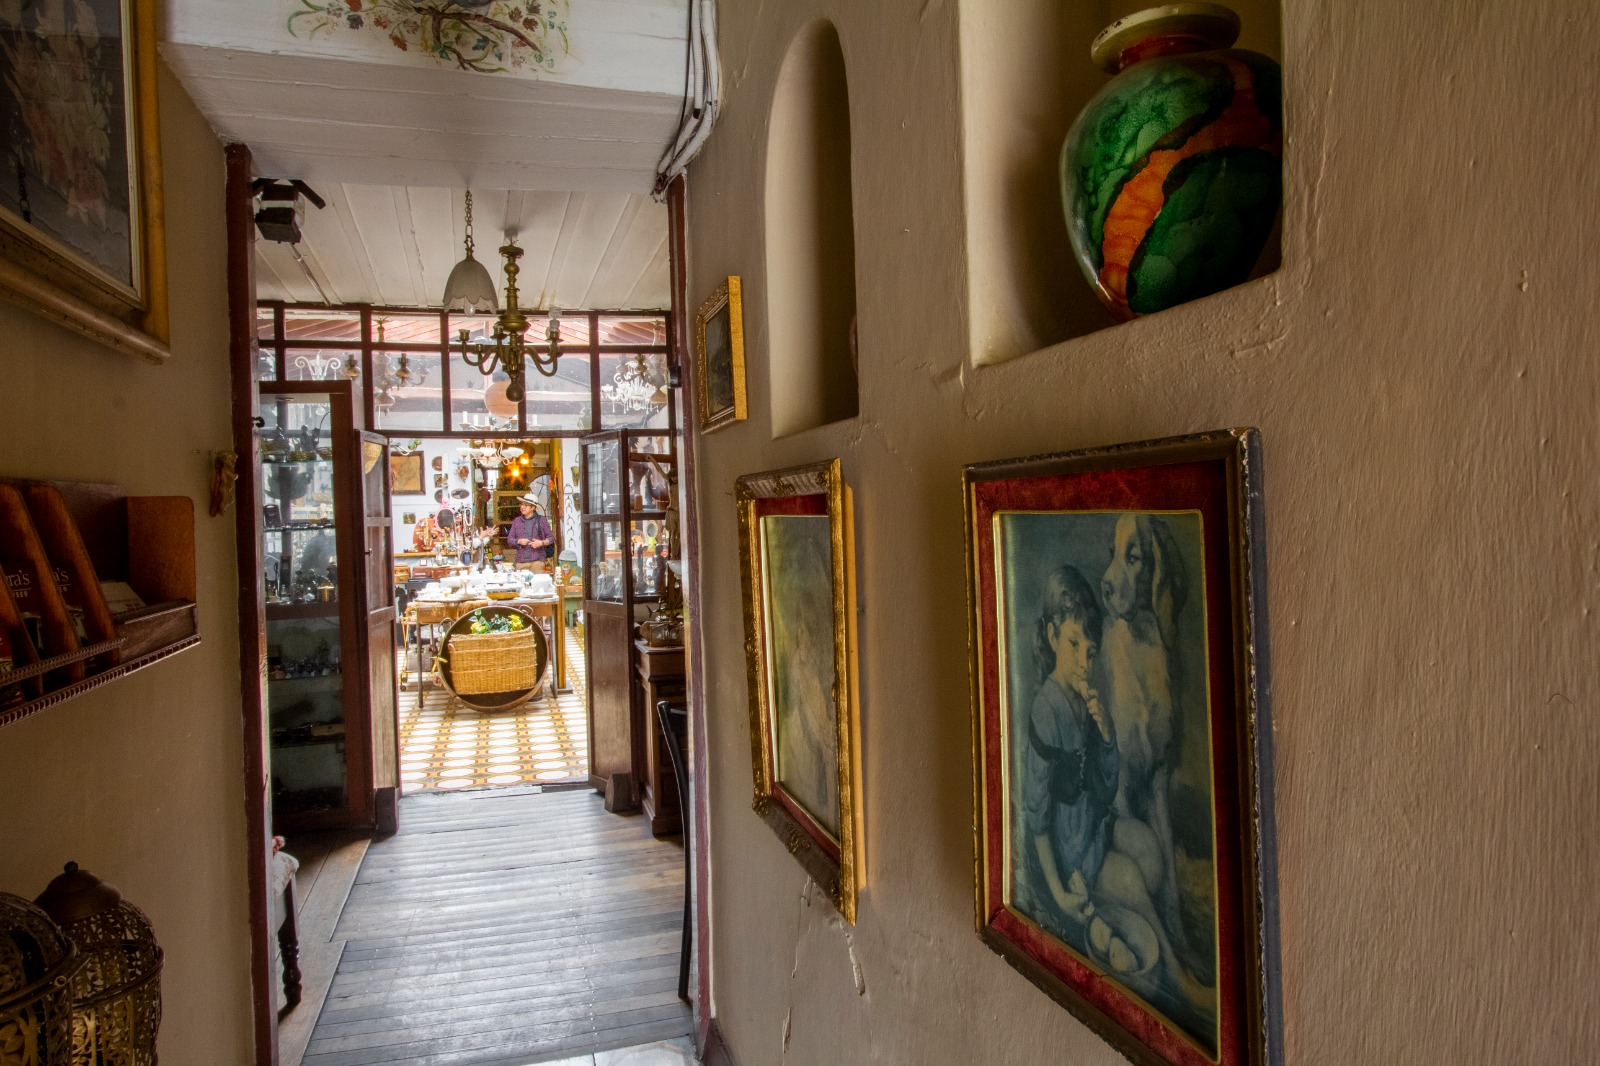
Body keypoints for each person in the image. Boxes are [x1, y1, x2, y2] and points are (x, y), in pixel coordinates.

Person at [1021, 563, 1118, 934]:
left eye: (1090, 652)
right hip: (1067, 851)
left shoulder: (1087, 701)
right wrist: (1060, 895)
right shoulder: (1046, 709)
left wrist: (1106, 736)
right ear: (1052, 636)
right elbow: (1037, 815)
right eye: (1074, 644)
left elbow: (1106, 789)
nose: (1083, 662)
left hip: (1094, 824)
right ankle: (1174, 964)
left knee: (1150, 854)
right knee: (1134, 883)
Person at [507, 492, 555, 570]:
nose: (522, 507)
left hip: (538, 561)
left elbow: (551, 538)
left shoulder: (541, 520)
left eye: (525, 505)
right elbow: (510, 540)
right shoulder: (517, 521)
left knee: (537, 582)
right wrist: (518, 541)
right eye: (521, 504)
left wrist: (541, 543)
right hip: (521, 562)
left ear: (533, 508)